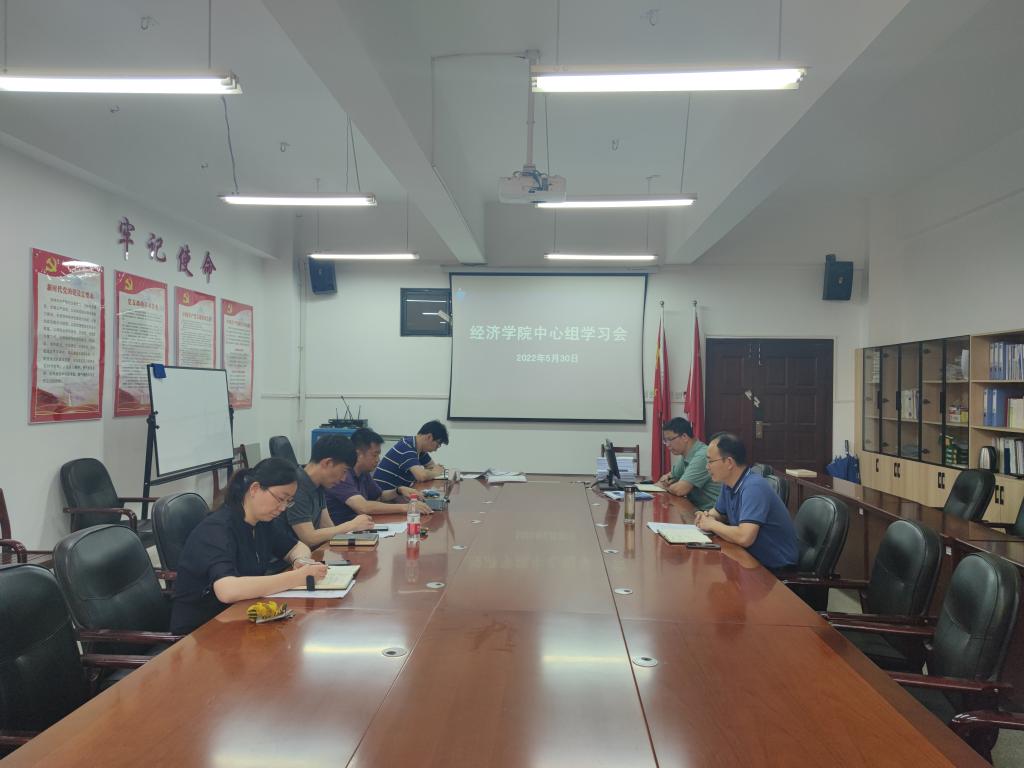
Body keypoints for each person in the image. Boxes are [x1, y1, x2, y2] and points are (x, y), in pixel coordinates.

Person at [170, 458, 328, 634]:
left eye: (289, 501)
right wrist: (296, 578)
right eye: (281, 499)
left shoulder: (262, 522)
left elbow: (297, 547)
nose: (283, 508)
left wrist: (301, 561)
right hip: (200, 632)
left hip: (240, 617)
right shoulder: (218, 529)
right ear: (254, 489)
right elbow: (227, 590)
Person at [695, 433, 798, 572]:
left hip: (774, 569)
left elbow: (745, 537)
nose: (707, 467)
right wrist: (706, 517)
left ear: (729, 462)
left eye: (710, 461)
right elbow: (718, 513)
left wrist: (712, 524)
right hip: (749, 558)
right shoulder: (728, 484)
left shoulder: (754, 487)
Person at [279, 434, 374, 548]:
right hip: (294, 557)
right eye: (344, 471)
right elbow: (308, 538)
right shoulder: (297, 485)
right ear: (327, 463)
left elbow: (327, 526)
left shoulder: (319, 485)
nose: (343, 479)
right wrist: (351, 525)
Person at [325, 427, 432, 524]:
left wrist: (398, 490)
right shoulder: (342, 475)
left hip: (361, 527)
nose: (378, 460)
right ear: (358, 454)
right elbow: (363, 507)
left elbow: (380, 496)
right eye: (374, 455)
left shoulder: (363, 472)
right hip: (343, 532)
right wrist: (407, 507)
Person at [655, 417, 721, 508]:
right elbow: (667, 479)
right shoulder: (686, 455)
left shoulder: (702, 455)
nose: (667, 445)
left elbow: (680, 490)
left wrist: (666, 487)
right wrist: (668, 482)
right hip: (697, 509)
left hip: (712, 513)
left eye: (670, 439)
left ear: (684, 437)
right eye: (665, 441)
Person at [373, 420, 449, 491]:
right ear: (429, 437)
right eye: (437, 445)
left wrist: (434, 471)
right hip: (383, 495)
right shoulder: (406, 447)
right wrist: (436, 473)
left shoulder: (420, 450)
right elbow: (421, 476)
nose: (436, 449)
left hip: (397, 493)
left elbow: (432, 466)